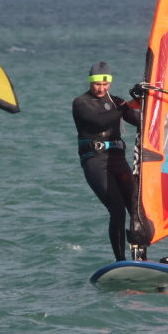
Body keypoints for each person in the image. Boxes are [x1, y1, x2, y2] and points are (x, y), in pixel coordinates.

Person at [72, 62, 142, 261]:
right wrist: (124, 107)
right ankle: (121, 261)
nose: (101, 89)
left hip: (117, 160)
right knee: (117, 209)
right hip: (96, 161)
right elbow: (99, 121)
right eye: (97, 84)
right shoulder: (81, 103)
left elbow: (138, 120)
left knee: (136, 208)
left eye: (105, 84)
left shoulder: (116, 102)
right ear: (90, 81)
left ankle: (141, 256)